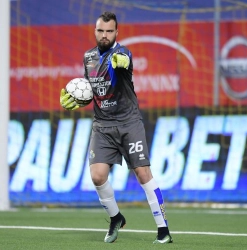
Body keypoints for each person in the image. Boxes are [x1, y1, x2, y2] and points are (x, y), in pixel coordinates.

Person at [59, 11, 172, 244]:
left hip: (129, 122)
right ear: (95, 31)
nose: (105, 35)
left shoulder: (122, 53)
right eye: (101, 30)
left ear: (116, 33)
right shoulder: (88, 57)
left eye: (109, 31)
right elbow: (92, 91)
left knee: (143, 173)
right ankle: (116, 217)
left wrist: (122, 61)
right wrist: (77, 99)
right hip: (102, 125)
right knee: (97, 176)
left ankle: (163, 229)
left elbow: (126, 62)